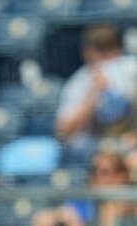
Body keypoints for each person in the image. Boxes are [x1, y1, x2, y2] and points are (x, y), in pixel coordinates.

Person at [16, 150, 135, 226]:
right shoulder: (85, 202)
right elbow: (50, 218)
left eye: (105, 172)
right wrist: (55, 219)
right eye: (94, 171)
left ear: (123, 175)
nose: (98, 177)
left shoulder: (128, 202)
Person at [55, 23, 137, 162]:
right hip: (95, 147)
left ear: (119, 50)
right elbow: (63, 133)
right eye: (99, 50)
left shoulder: (131, 69)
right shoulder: (78, 83)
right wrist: (93, 93)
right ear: (86, 53)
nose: (105, 57)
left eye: (110, 49)